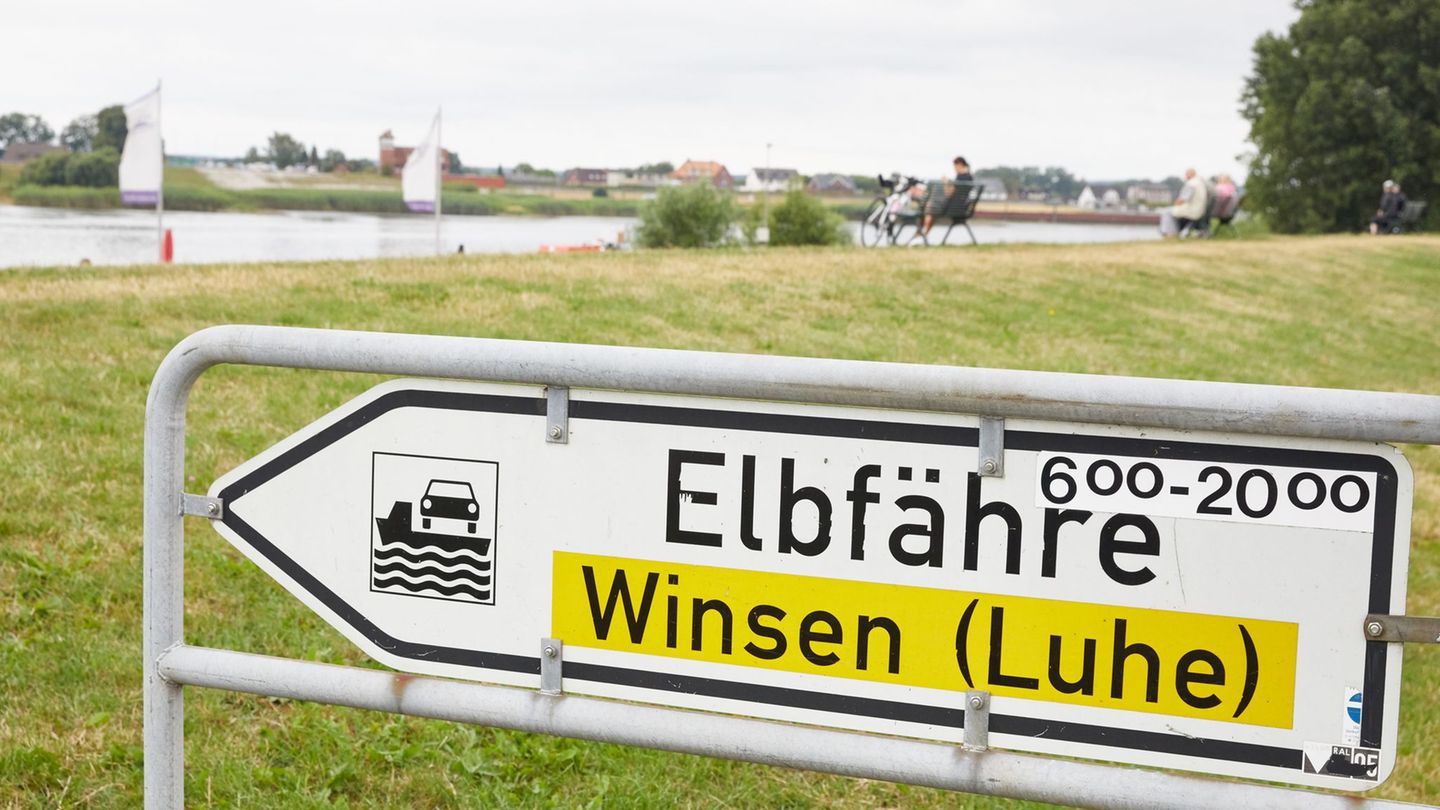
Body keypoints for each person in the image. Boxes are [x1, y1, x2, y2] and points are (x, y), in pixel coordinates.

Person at [915, 156, 975, 241]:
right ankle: (923, 236)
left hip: (952, 209)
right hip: (961, 208)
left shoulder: (960, 178)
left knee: (928, 209)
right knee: (930, 208)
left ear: (960, 164)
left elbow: (949, 194)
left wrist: (946, 182)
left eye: (955, 166)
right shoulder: (970, 177)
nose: (954, 169)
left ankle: (921, 236)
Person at [1159, 168, 1209, 238]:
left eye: (1186, 174)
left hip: (1191, 210)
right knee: (1171, 211)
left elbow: (1183, 199)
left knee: (1166, 212)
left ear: (1190, 174)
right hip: (1199, 210)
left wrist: (1176, 204)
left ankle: (1170, 233)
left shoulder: (1191, 184)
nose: (1185, 176)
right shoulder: (1200, 183)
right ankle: (1175, 232)